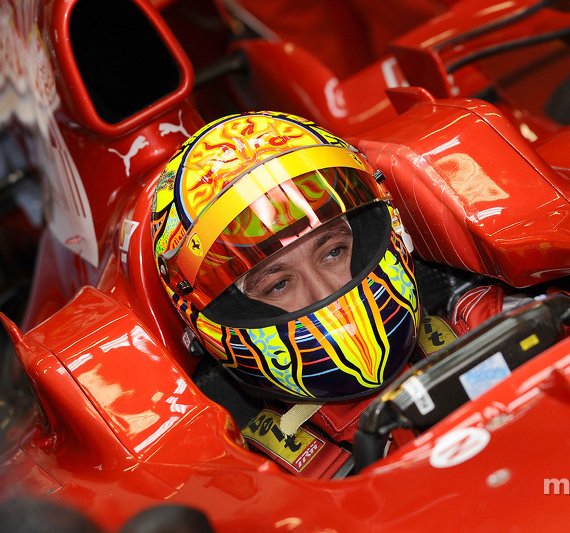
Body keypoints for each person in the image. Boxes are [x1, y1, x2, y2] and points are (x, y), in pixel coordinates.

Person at [151, 111, 526, 478]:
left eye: (333, 252)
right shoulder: (267, 483)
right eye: (279, 284)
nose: (326, 292)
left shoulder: (489, 324)